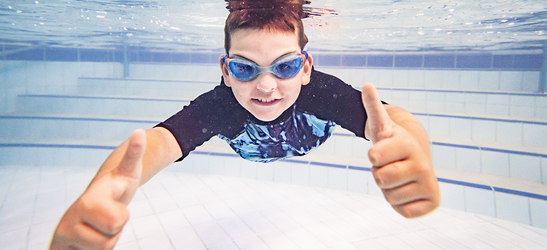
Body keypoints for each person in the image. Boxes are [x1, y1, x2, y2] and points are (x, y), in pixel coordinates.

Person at [50, 0, 440, 249]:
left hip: (310, 135)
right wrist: (104, 187)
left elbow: (396, 122)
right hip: (248, 144)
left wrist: (414, 147)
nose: (266, 86)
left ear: (306, 68)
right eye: (244, 68)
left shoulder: (321, 93)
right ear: (226, 70)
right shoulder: (222, 106)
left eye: (285, 66)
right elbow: (160, 142)